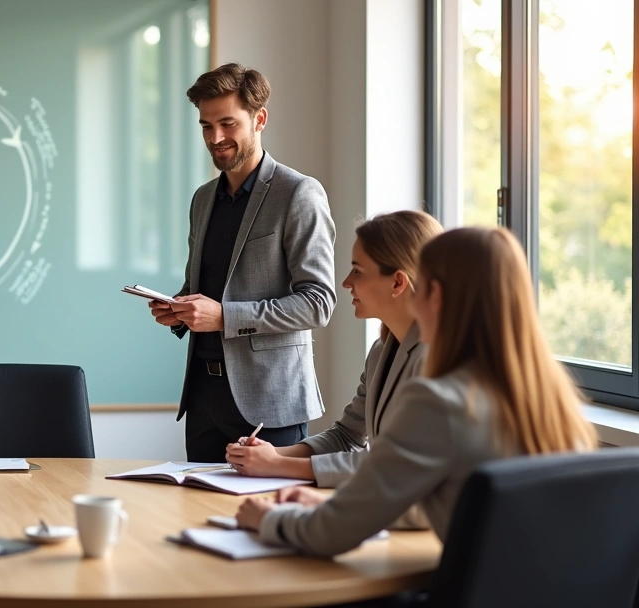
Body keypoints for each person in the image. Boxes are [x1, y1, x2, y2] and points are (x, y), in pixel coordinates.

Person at [235, 227, 597, 557]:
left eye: (419, 287)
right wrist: (333, 503)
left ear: (434, 295)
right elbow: (441, 498)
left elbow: (331, 535)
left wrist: (268, 519)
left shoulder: (441, 401)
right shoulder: (553, 396)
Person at [150, 62, 336, 462]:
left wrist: (224, 317)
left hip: (271, 403)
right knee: (192, 518)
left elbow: (319, 302)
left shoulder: (299, 193)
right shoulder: (202, 200)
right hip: (202, 399)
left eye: (228, 124)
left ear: (259, 119)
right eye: (205, 126)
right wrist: (180, 308)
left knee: (267, 521)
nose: (215, 138)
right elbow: (207, 288)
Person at [226, 211, 443, 490]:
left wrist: (277, 465)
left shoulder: (437, 360)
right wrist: (270, 453)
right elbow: (346, 437)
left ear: (398, 283)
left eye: (358, 271)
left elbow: (395, 465)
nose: (346, 282)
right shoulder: (381, 351)